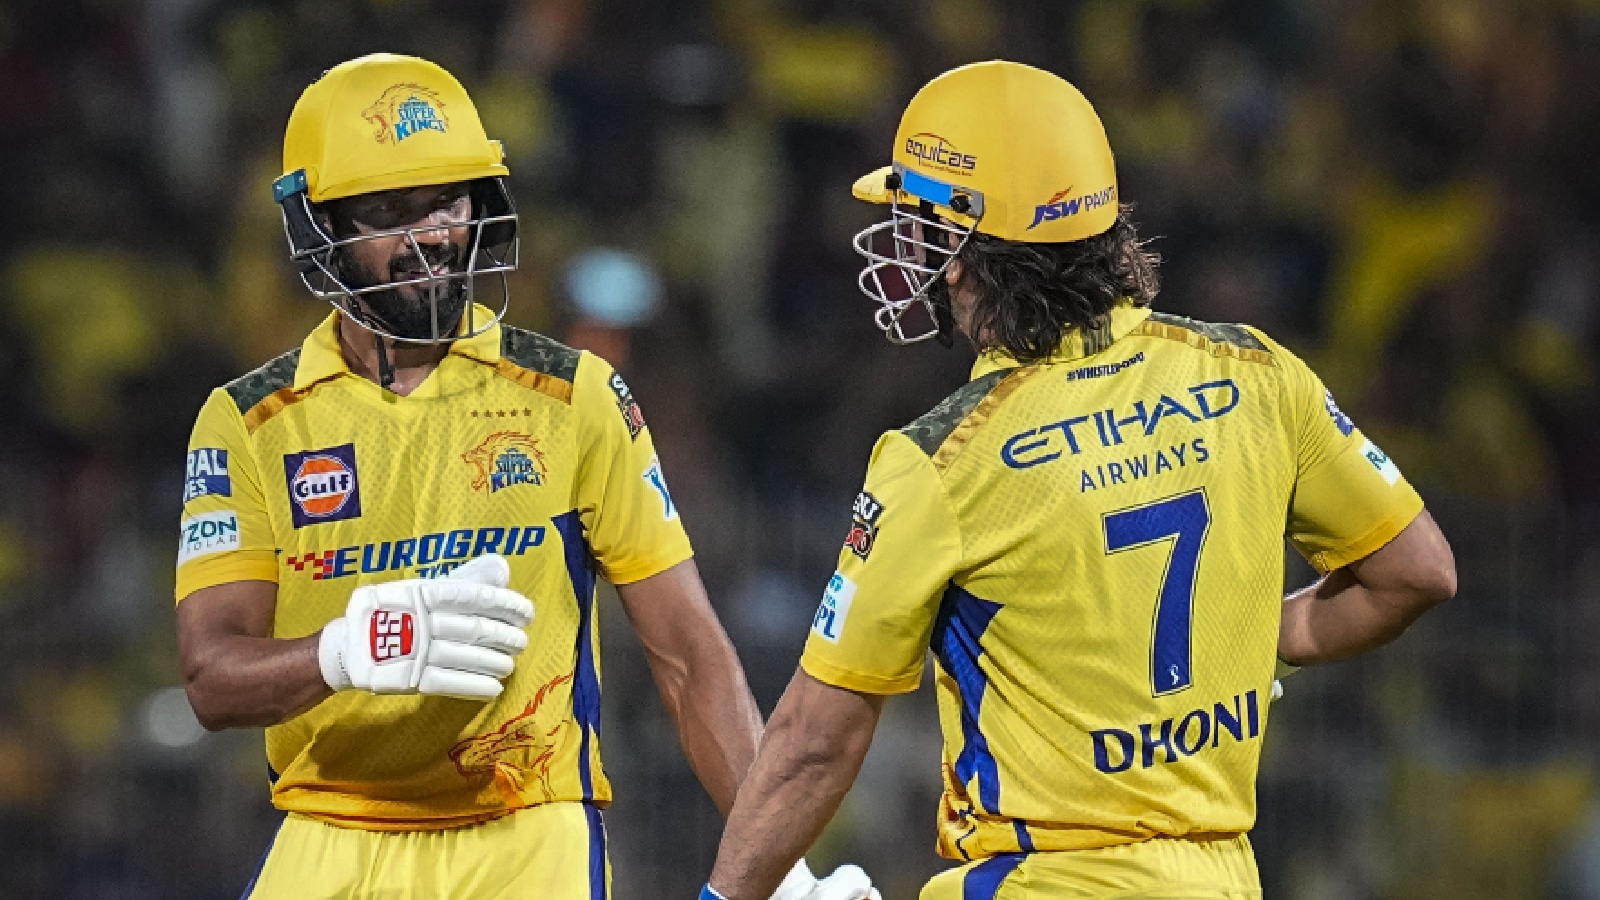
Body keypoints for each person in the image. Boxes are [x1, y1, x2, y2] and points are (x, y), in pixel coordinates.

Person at [698, 61, 1457, 900]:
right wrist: (1242, 640)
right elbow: (1417, 572)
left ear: (959, 253)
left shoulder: (941, 459)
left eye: (915, 222)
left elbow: (815, 743)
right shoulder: (1255, 372)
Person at [175, 53, 878, 900]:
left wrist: (785, 869)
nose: (434, 236)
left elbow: (689, 655)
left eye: (449, 201)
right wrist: (347, 650)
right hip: (329, 827)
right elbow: (211, 678)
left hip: (525, 831)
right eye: (390, 211)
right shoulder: (251, 422)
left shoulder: (575, 397)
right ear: (318, 227)